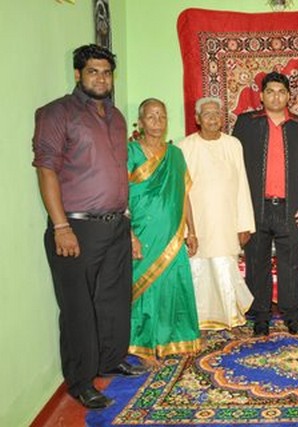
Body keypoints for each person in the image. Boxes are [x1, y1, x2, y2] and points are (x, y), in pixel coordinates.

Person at [32, 44, 145, 410]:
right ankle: (81, 381)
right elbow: (46, 169)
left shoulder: (116, 117)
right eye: (93, 71)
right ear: (78, 74)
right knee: (78, 307)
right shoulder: (57, 113)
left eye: (106, 72)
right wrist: (60, 226)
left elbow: (117, 174)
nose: (101, 78)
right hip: (76, 227)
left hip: (116, 224)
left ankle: (110, 360)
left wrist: (127, 226)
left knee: (113, 300)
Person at [232, 72, 298, 337]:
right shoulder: (247, 124)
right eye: (270, 91)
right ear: (262, 95)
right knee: (257, 262)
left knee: (292, 262)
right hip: (257, 206)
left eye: (281, 92)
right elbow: (235, 167)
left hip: (291, 207)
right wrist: (238, 208)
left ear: (289, 96)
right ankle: (261, 316)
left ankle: (292, 315)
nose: (276, 97)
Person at [128, 98, 201, 366]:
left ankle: (174, 339)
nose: (157, 121)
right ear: (140, 122)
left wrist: (192, 230)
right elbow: (119, 196)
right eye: (151, 116)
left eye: (162, 116)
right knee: (145, 287)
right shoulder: (129, 152)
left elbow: (183, 195)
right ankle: (143, 346)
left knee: (173, 285)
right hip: (143, 233)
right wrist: (129, 234)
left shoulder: (175, 154)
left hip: (173, 233)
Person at [177, 97, 255, 330]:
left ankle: (229, 317)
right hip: (197, 224)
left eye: (216, 114)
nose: (212, 118)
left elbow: (242, 185)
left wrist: (244, 224)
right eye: (207, 114)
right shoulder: (184, 147)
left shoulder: (233, 144)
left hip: (226, 222)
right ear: (197, 119)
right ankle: (198, 320)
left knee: (224, 267)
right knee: (198, 271)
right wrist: (186, 230)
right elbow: (180, 192)